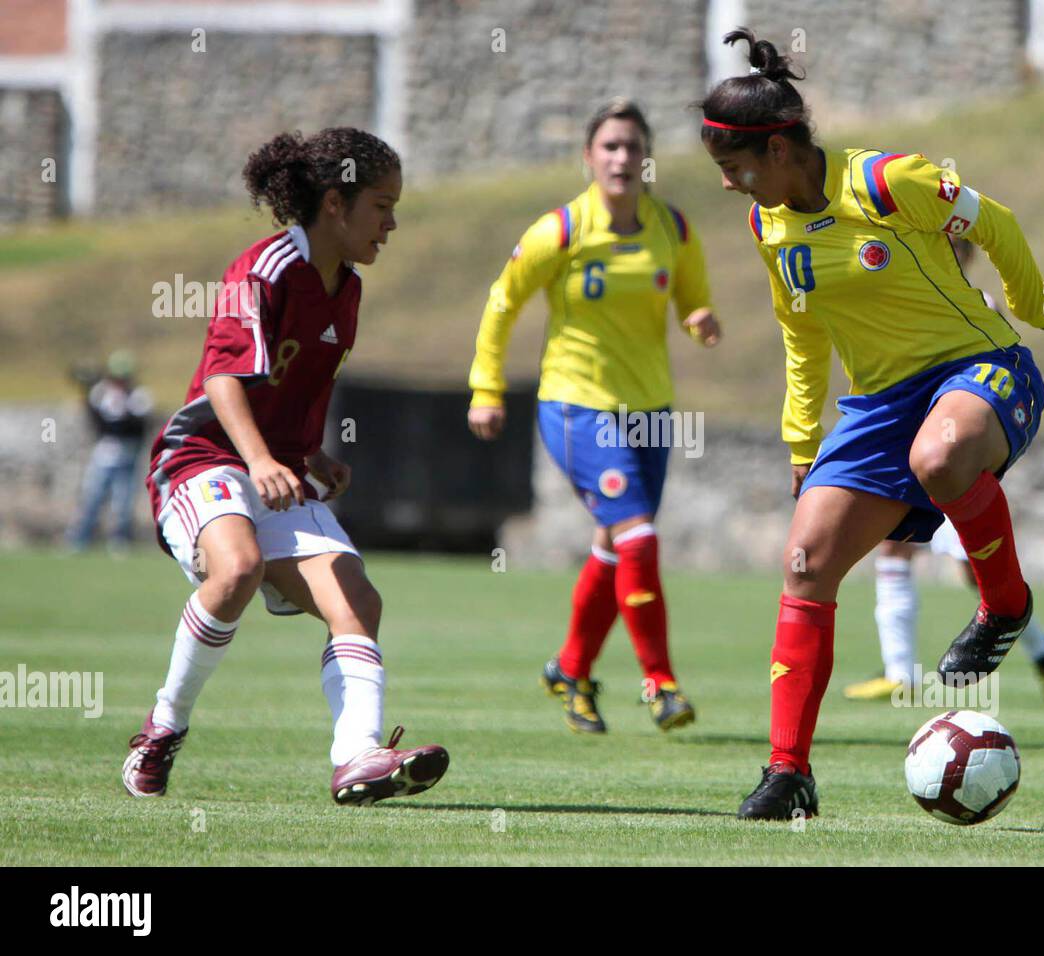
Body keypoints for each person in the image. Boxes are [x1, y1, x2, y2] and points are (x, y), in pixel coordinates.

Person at [698, 29, 1044, 820]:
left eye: (734, 168)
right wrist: (802, 441)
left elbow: (993, 220)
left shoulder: (887, 180)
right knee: (804, 563)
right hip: (877, 406)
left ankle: (1004, 605)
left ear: (778, 150)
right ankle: (788, 774)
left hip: (982, 369)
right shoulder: (769, 227)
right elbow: (802, 336)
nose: (729, 185)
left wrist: (1036, 307)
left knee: (940, 456)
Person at [125, 128, 449, 806]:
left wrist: (313, 455)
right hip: (205, 457)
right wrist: (263, 458)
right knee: (237, 567)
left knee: (358, 601)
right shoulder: (264, 267)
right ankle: (161, 731)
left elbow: (298, 384)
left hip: (274, 463)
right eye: (382, 205)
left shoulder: (347, 288)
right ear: (336, 202)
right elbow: (222, 380)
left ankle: (358, 757)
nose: (393, 224)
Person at [468, 98, 721, 734]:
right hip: (577, 407)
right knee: (637, 534)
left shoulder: (675, 230)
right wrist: (486, 388)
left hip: (651, 413)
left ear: (648, 159)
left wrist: (700, 320)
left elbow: (692, 296)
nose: (622, 158)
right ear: (588, 157)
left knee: (616, 546)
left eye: (633, 147)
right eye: (610, 146)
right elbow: (503, 302)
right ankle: (660, 683)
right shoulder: (559, 230)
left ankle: (572, 668)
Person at [844, 240, 1044, 705]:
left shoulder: (976, 307)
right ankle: (899, 671)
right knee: (893, 546)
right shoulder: (904, 304)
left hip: (953, 459)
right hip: (916, 453)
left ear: (965, 257)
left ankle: (1042, 649)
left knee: (973, 571)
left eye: (953, 247)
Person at [66, 350, 153, 553]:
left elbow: (138, 425)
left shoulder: (138, 396)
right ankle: (80, 539)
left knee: (123, 501)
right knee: (92, 497)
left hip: (129, 454)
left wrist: (122, 414)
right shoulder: (101, 393)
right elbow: (97, 422)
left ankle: (120, 541)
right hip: (104, 455)